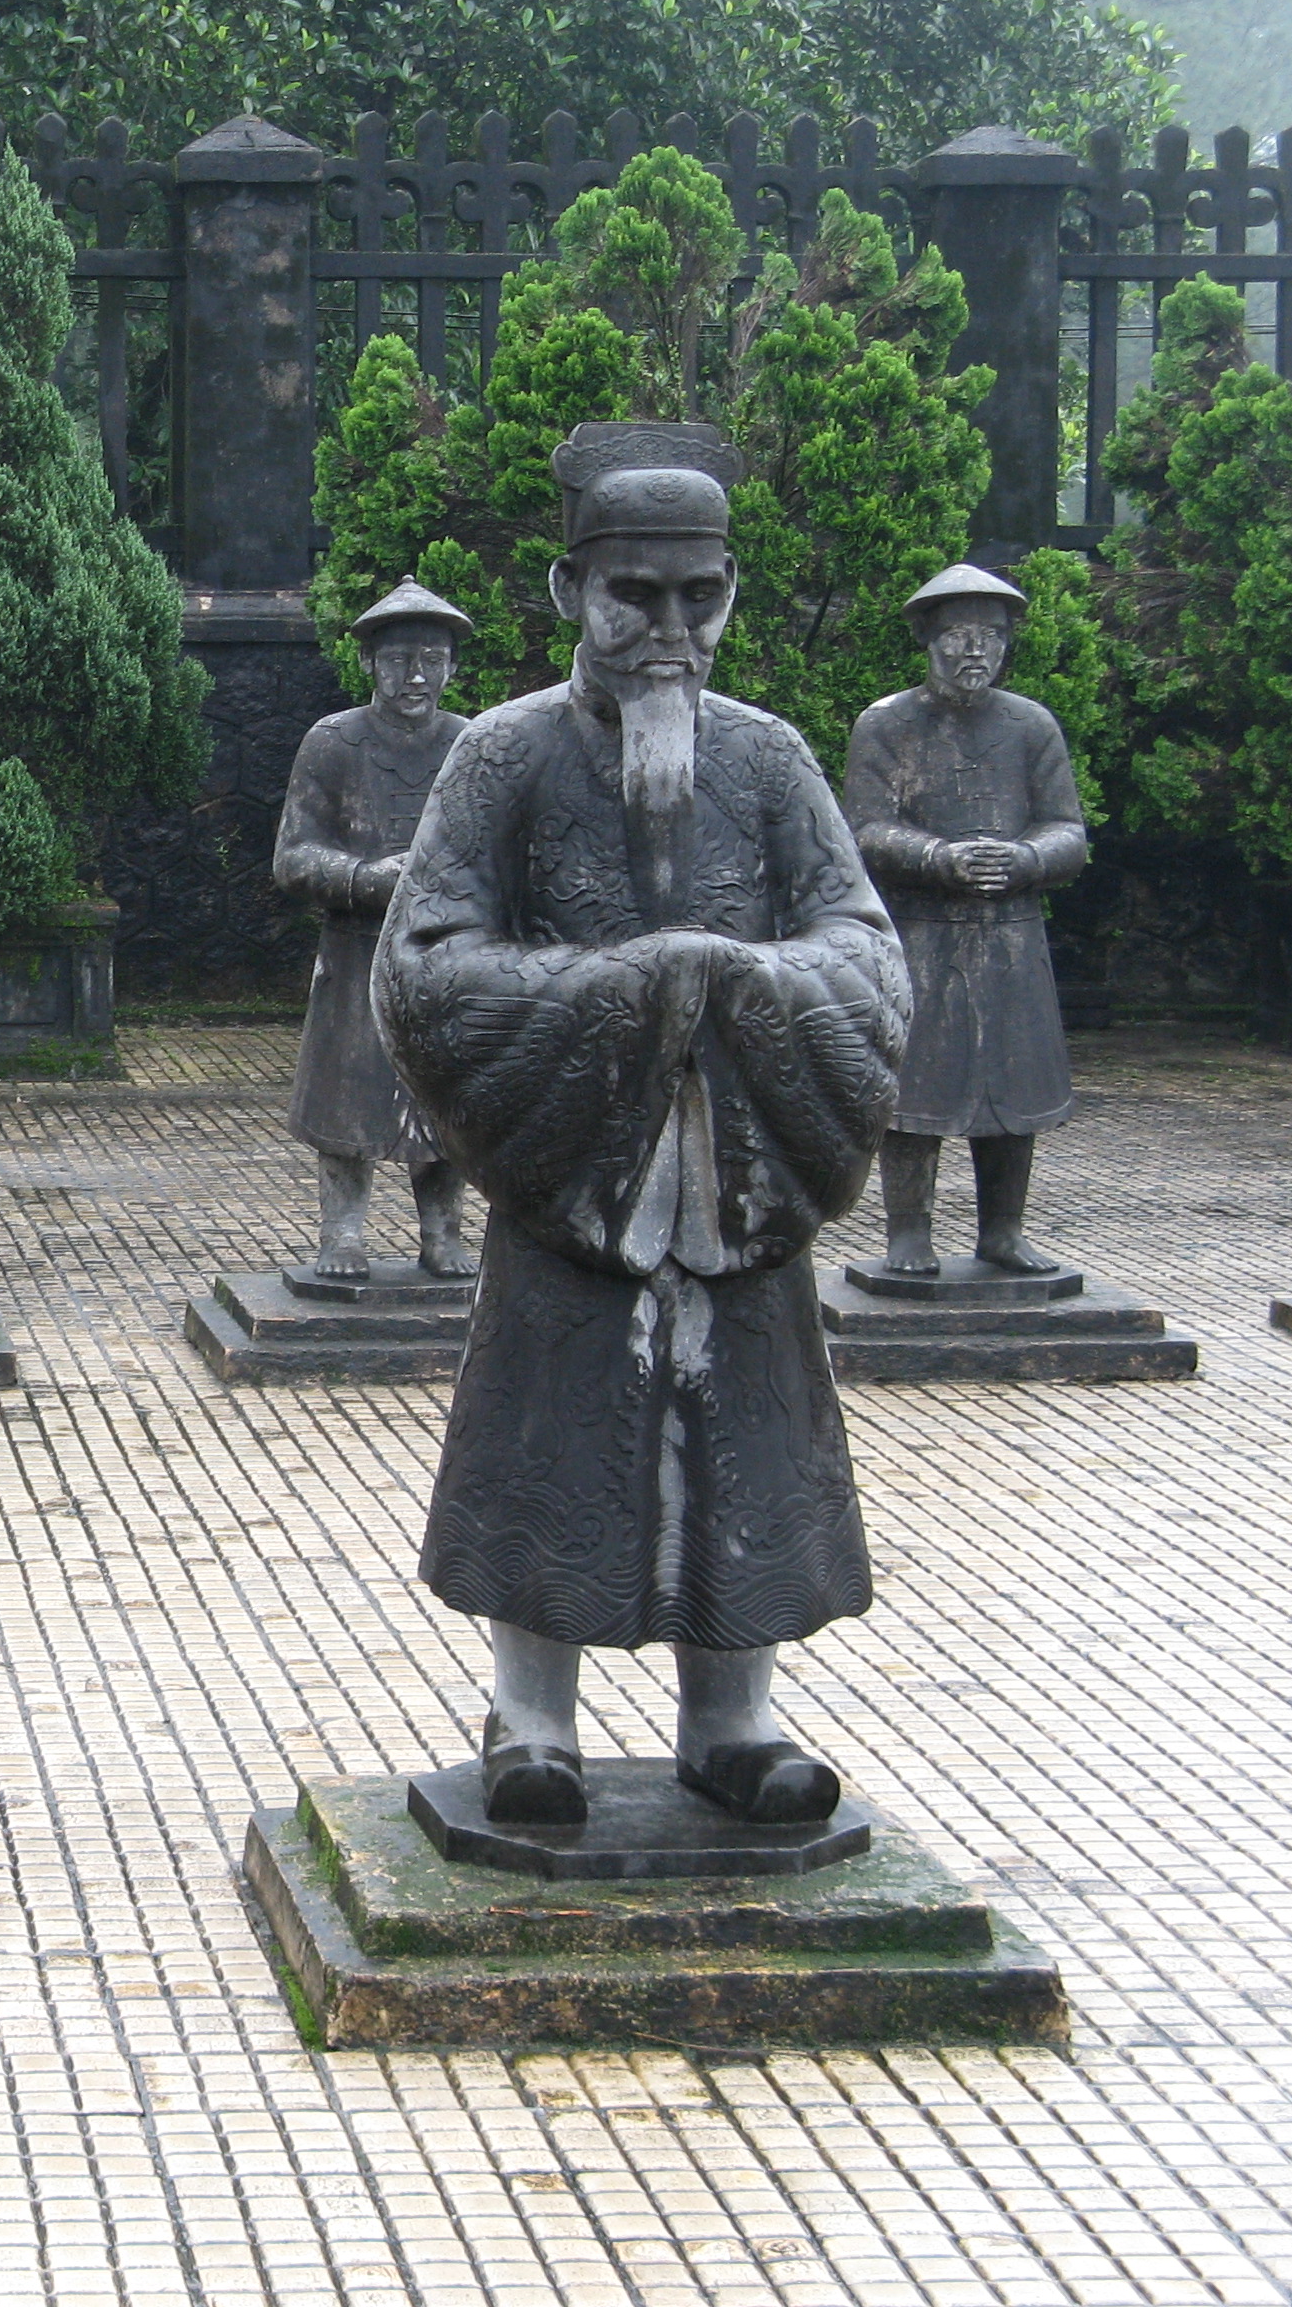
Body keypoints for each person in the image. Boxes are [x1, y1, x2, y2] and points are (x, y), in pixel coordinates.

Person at [375, 422, 909, 1829]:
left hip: (738, 1171)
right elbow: (424, 962)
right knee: (551, 1426)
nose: (670, 631)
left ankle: (734, 1720)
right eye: (635, 595)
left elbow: (863, 948)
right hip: (574, 1168)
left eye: (701, 596)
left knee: (749, 1432)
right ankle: (528, 1720)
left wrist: (741, 985)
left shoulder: (771, 760)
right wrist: (626, 992)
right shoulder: (503, 757)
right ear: (571, 591)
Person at [843, 563, 1090, 1276]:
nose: (976, 649)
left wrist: (1024, 858)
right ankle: (908, 1233)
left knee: (1014, 1086)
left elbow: (1068, 831)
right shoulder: (887, 725)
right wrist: (938, 857)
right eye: (959, 634)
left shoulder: (1030, 725)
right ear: (930, 639)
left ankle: (1003, 1231)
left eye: (992, 635)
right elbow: (864, 830)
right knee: (914, 1090)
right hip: (921, 934)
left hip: (1012, 935)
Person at [276, 579, 473, 1278]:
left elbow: (501, 849)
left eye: (431, 659)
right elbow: (293, 856)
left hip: (445, 953)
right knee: (346, 1096)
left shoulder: (472, 744)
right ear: (369, 663)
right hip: (357, 949)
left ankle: (443, 1233)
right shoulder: (332, 742)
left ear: (452, 666)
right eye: (397, 660)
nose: (415, 676)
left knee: (444, 1100)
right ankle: (342, 1234)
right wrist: (364, 878)